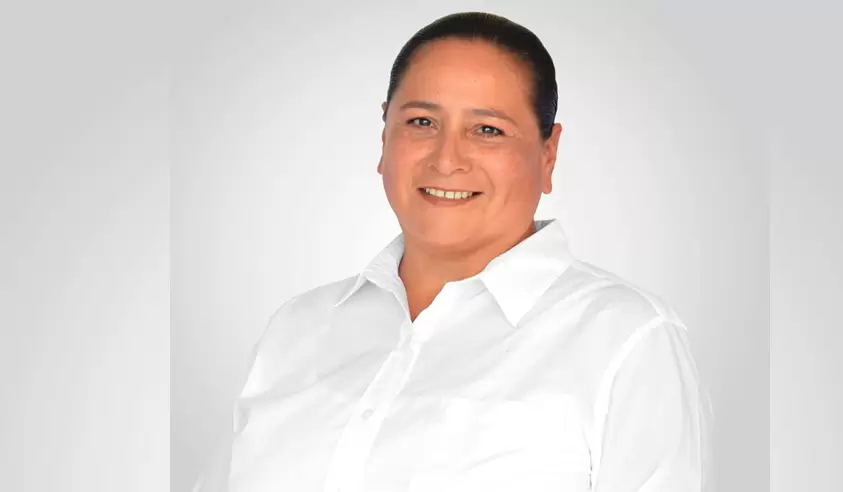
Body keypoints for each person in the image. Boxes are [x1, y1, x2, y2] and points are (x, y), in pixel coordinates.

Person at [193, 11, 709, 492]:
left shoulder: (625, 338)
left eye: (488, 130)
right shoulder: (296, 330)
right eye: (422, 122)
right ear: (384, 135)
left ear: (548, 153)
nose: (446, 159)